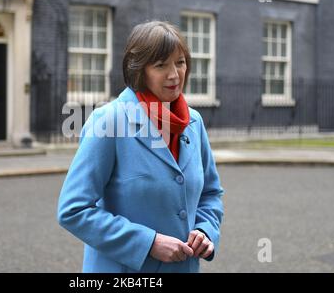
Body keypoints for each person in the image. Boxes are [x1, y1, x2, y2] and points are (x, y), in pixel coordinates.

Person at [57, 20, 224, 273]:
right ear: (139, 70)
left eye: (180, 62)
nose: (174, 74)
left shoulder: (194, 121)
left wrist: (204, 230)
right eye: (161, 65)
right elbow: (73, 210)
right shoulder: (108, 121)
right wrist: (148, 243)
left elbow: (210, 194)